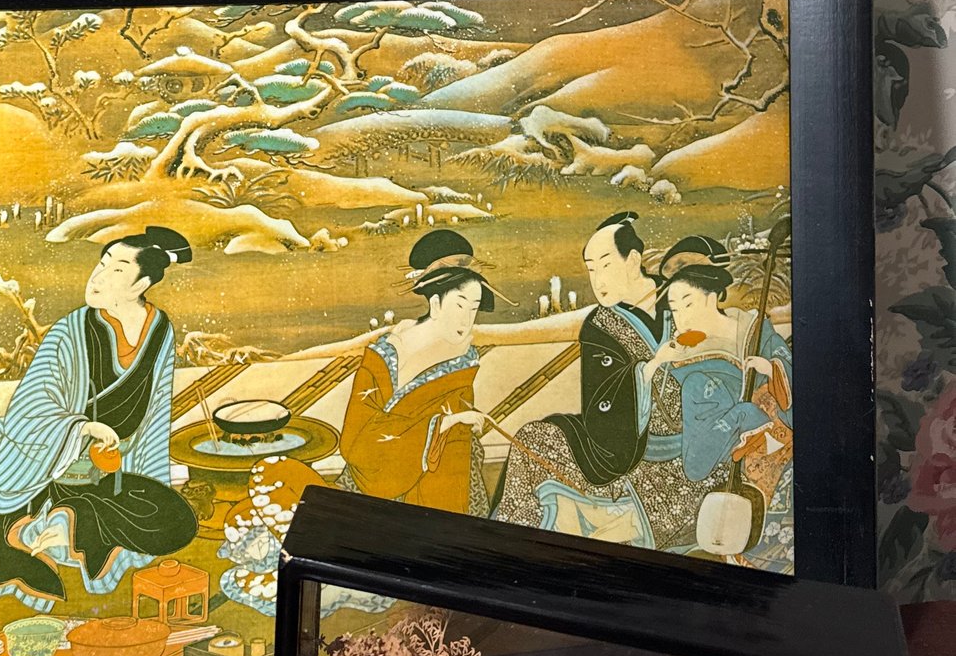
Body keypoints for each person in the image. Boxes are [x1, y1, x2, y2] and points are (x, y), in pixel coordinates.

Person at [0, 226, 198, 612]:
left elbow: (156, 413)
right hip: (36, 454)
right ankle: (1, 550)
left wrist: (150, 476)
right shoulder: (70, 329)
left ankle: (59, 528)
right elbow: (29, 405)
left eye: (117, 269)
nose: (98, 275)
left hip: (105, 470)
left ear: (140, 284)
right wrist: (81, 428)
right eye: (102, 263)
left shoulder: (160, 330)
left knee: (175, 521)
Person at [492, 210, 672, 536]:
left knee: (534, 441)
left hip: (668, 445)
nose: (597, 280)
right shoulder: (600, 324)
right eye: (591, 269)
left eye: (606, 265)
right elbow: (599, 402)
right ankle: (514, 534)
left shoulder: (680, 302)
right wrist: (644, 373)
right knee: (532, 438)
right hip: (616, 441)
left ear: (633, 260)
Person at [642, 235, 792, 560]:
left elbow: (788, 368)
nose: (680, 317)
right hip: (712, 450)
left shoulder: (751, 327)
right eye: (674, 309)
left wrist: (771, 369)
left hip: (772, 435)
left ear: (712, 297)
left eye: (688, 304)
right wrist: (656, 364)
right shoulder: (678, 353)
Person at [339, 230, 494, 517]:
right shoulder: (385, 355)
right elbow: (356, 439)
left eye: (474, 309)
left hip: (439, 480)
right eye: (460, 305)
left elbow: (458, 435)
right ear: (435, 304)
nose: (467, 320)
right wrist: (442, 424)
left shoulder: (463, 364)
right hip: (370, 480)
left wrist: (458, 423)